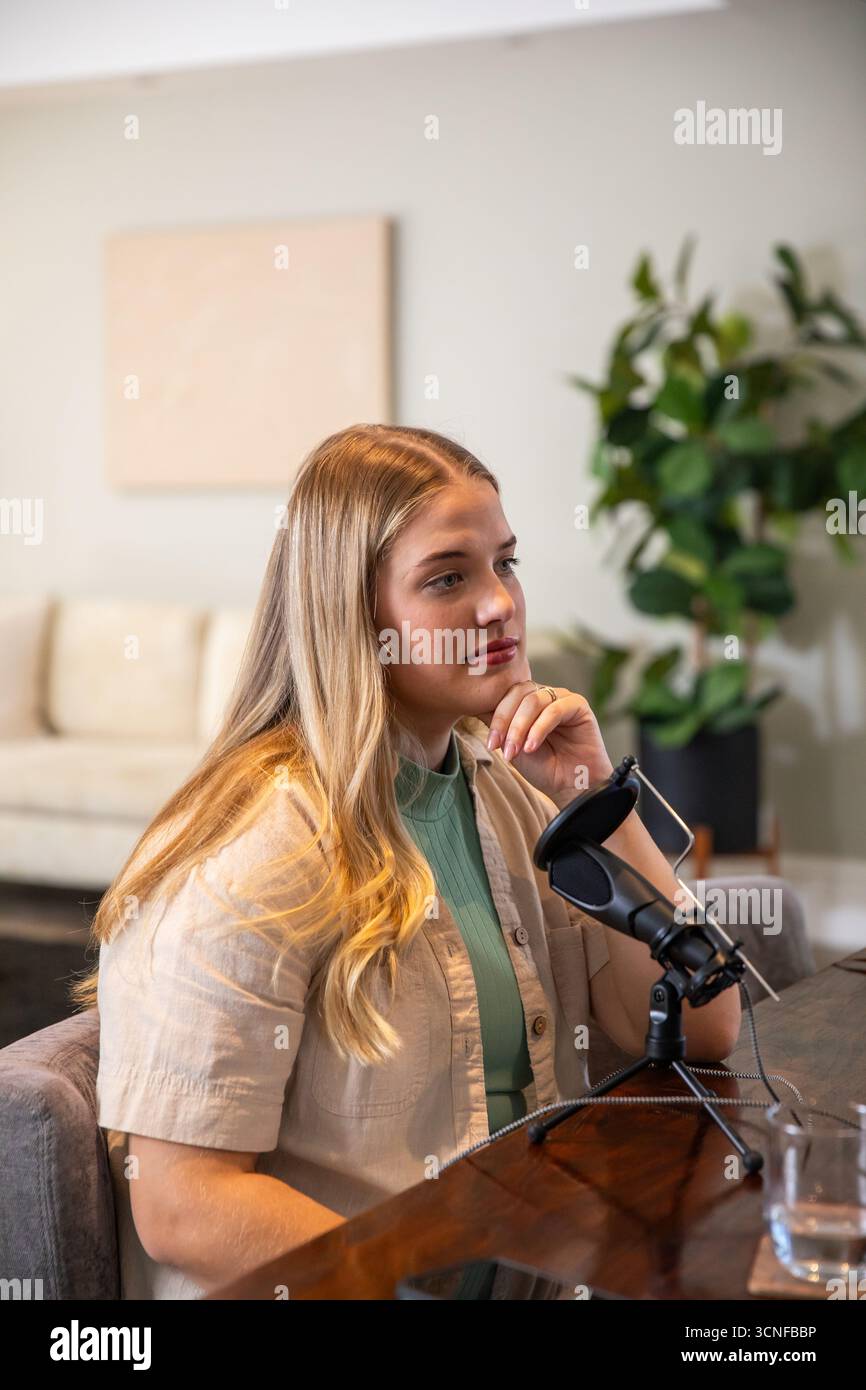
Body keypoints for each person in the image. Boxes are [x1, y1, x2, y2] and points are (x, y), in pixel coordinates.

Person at [75, 424, 740, 1299]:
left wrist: (594, 797)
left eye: (506, 563)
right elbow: (183, 1206)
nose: (500, 604)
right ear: (356, 616)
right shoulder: (255, 845)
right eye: (448, 578)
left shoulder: (506, 789)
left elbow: (707, 1029)